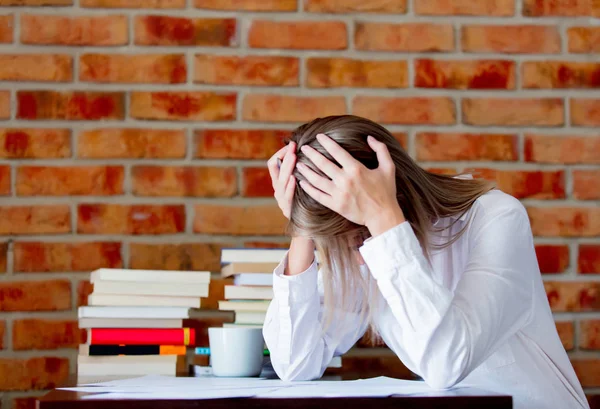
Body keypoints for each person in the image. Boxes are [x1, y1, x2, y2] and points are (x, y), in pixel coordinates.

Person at [262, 115, 589, 409]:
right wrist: (303, 227)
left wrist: (383, 219)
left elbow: (446, 363)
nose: (358, 259)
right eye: (336, 244)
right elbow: (296, 364)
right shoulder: (355, 246)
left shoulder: (496, 217)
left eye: (360, 240)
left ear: (395, 191)